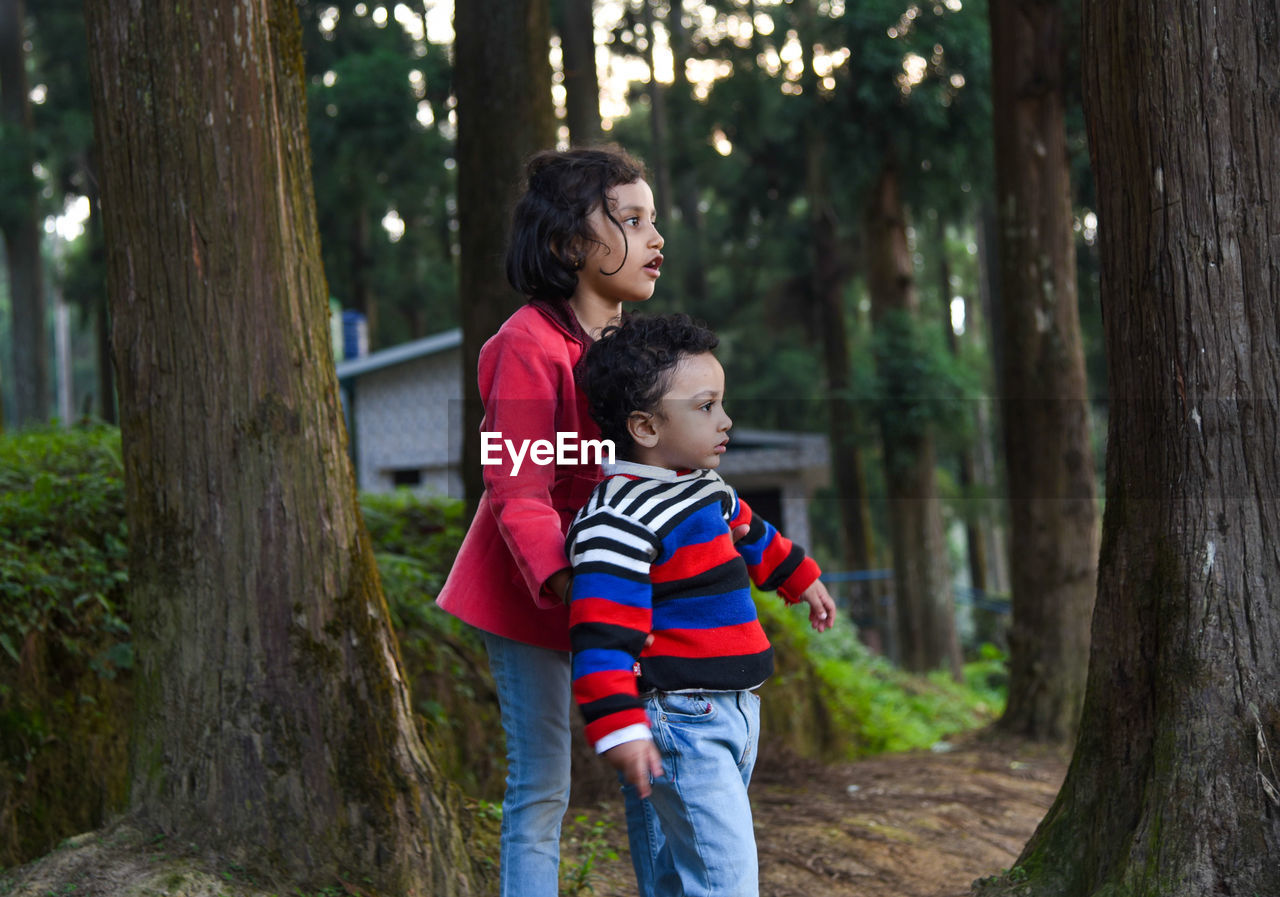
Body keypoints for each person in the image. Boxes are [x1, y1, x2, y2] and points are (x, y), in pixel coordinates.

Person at [435, 145, 665, 897]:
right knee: (542, 783)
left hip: (625, 583)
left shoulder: (640, 350)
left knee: (653, 769)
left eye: (653, 220)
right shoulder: (523, 347)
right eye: (631, 221)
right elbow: (517, 487)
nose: (655, 239)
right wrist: (569, 582)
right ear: (570, 245)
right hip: (534, 588)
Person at [567, 313, 837, 897]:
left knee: (680, 876)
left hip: (738, 712)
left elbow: (751, 530)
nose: (726, 420)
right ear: (644, 425)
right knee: (725, 880)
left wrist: (800, 578)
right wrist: (619, 727)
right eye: (706, 406)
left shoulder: (702, 486)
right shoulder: (619, 519)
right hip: (682, 719)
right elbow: (600, 632)